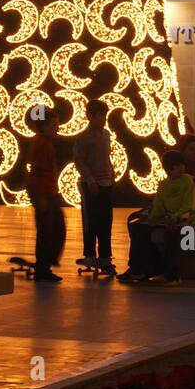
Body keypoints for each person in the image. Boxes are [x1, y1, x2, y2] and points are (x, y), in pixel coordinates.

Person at [118, 150, 195, 285]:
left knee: (171, 233)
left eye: (181, 165)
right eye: (177, 166)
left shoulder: (188, 181)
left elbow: (189, 205)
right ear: (169, 169)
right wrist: (152, 217)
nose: (182, 168)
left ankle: (172, 274)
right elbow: (159, 204)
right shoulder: (164, 184)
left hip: (188, 219)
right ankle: (137, 269)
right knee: (139, 230)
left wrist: (176, 217)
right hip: (167, 218)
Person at [73, 99, 115, 273]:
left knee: (106, 221)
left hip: (106, 183)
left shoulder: (106, 135)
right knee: (91, 221)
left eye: (104, 115)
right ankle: (90, 254)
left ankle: (105, 257)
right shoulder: (83, 138)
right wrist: (90, 179)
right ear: (90, 116)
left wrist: (112, 176)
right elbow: (79, 161)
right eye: (99, 115)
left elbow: (107, 157)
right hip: (90, 185)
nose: (102, 119)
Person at [26, 106, 65, 283]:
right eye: (54, 124)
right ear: (44, 126)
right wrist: (42, 197)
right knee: (48, 231)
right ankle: (43, 267)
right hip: (44, 194)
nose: (57, 127)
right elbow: (39, 172)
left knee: (52, 230)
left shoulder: (44, 143)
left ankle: (45, 265)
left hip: (47, 193)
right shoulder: (42, 145)